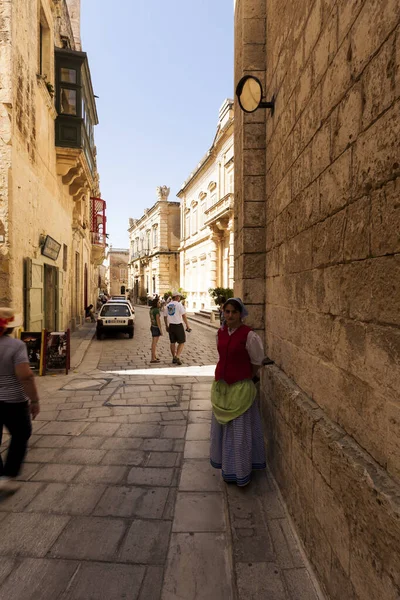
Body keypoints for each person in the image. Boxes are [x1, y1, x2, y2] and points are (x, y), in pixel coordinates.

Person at [210, 298, 266, 487]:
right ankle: (228, 468)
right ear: (223, 313)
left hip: (240, 389)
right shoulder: (220, 333)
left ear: (241, 314)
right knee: (225, 432)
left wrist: (245, 377)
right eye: (227, 312)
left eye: (234, 312)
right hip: (222, 388)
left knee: (240, 433)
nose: (230, 315)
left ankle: (242, 471)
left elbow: (257, 361)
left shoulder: (249, 335)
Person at [0, 307, 40, 494]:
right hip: (13, 401)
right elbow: (25, 375)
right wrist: (34, 400)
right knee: (21, 434)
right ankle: (7, 476)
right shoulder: (16, 346)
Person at [163, 291, 191, 365]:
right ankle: (177, 356)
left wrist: (166, 326)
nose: (179, 298)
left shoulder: (167, 305)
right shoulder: (179, 305)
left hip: (171, 326)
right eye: (178, 296)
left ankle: (173, 357)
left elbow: (165, 317)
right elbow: (184, 315)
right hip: (178, 325)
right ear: (176, 297)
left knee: (172, 342)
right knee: (182, 342)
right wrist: (187, 325)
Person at [149, 297, 163, 363]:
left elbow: (151, 319)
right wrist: (161, 330)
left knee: (154, 343)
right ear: (156, 303)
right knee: (154, 344)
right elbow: (158, 321)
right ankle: (152, 358)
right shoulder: (157, 310)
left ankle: (154, 356)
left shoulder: (151, 310)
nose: (160, 303)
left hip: (152, 326)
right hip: (156, 327)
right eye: (159, 302)